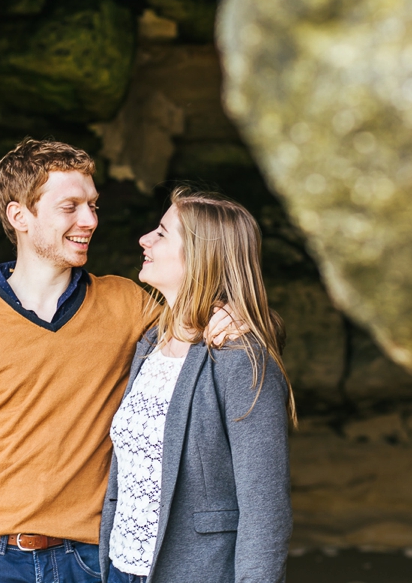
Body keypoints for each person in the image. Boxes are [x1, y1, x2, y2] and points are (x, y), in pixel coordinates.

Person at [0, 139, 237, 583]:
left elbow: (201, 330)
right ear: (19, 217)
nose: (90, 220)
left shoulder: (127, 303)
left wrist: (236, 315)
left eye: (93, 205)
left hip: (94, 560)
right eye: (71, 207)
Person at [99, 187, 297, 583]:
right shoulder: (150, 342)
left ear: (200, 255)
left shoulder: (239, 358)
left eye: (161, 232)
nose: (144, 239)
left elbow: (265, 507)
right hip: (122, 569)